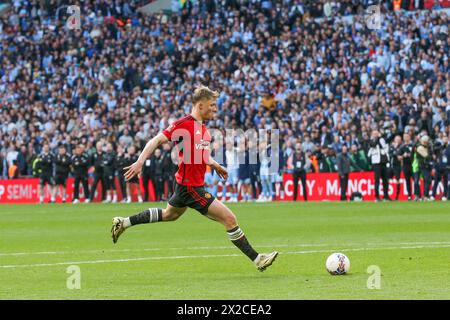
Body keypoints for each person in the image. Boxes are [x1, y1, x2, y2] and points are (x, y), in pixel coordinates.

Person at [111, 85, 278, 272]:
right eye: (212, 105)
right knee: (230, 219)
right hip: (191, 187)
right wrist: (140, 162)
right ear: (200, 105)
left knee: (169, 215)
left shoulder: (204, 130)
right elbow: (156, 140)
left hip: (186, 185)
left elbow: (202, 154)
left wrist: (214, 165)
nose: (215, 109)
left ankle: (123, 222)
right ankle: (257, 259)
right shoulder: (184, 124)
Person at [368, 130, 391, 201]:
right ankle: (377, 196)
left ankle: (386, 196)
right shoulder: (371, 141)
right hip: (376, 163)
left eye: (377, 133)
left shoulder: (381, 140)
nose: (376, 135)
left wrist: (382, 138)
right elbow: (373, 144)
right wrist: (378, 138)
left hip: (383, 162)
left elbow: (384, 145)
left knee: (385, 180)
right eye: (374, 134)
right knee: (377, 180)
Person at [413, 134, 433, 201]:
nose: (427, 143)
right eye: (426, 141)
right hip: (418, 166)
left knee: (427, 180)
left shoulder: (427, 147)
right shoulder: (419, 147)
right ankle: (417, 196)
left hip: (424, 166)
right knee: (416, 181)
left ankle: (425, 195)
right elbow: (427, 156)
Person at [431, 137, 449, 201]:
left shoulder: (449, 148)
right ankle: (433, 196)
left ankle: (444, 195)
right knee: (436, 182)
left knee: (445, 182)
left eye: (446, 139)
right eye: (444, 139)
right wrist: (434, 167)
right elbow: (434, 157)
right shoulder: (439, 147)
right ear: (442, 140)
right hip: (438, 167)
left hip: (446, 167)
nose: (445, 140)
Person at [399, 133, 414, 200]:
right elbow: (398, 157)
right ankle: (409, 195)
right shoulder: (402, 147)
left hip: (413, 165)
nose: (406, 138)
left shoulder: (413, 145)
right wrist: (403, 156)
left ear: (410, 137)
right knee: (407, 181)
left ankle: (418, 195)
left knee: (415, 180)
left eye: (407, 136)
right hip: (406, 165)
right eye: (404, 137)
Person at [389, 135, 403, 201]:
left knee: (398, 180)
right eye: (396, 139)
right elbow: (391, 154)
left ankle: (397, 196)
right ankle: (387, 195)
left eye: (399, 139)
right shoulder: (391, 146)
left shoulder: (401, 147)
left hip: (397, 166)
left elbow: (403, 154)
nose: (397, 140)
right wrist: (396, 153)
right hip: (390, 165)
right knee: (387, 180)